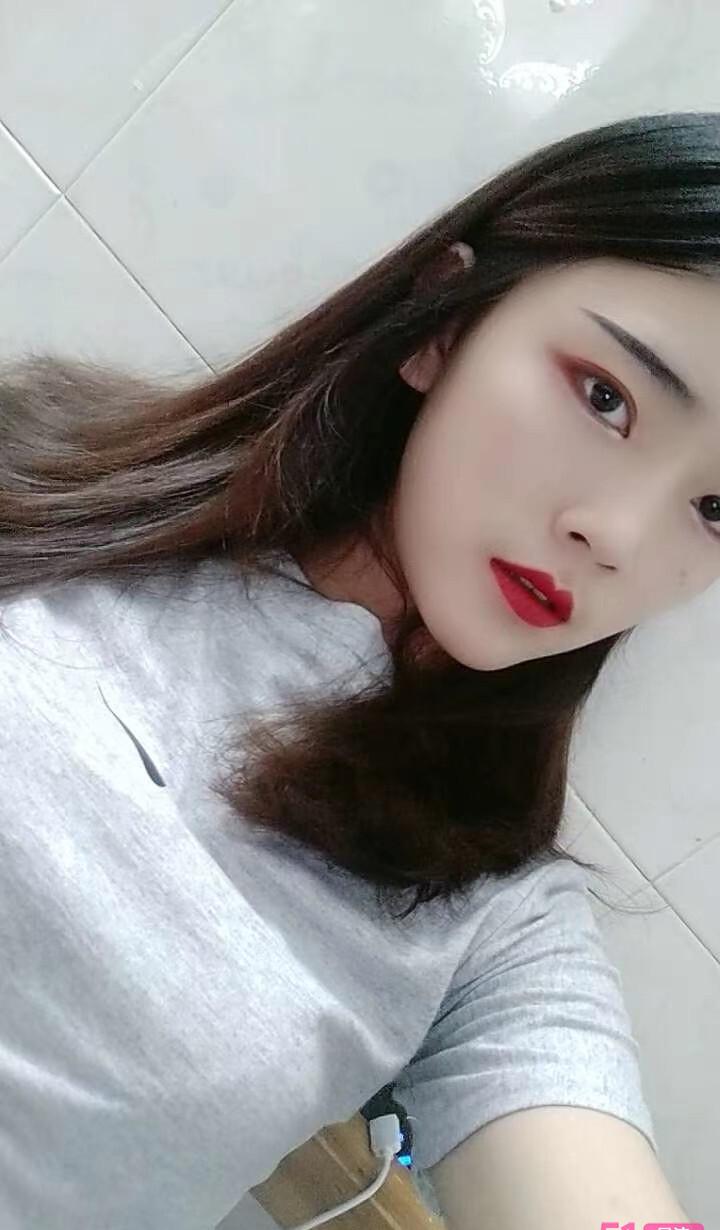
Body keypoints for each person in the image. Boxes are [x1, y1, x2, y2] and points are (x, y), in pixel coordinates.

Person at [0, 111, 709, 1228]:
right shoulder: (42, 466)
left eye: (716, 506)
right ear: (444, 325)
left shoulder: (486, 919)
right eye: (606, 396)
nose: (616, 533)